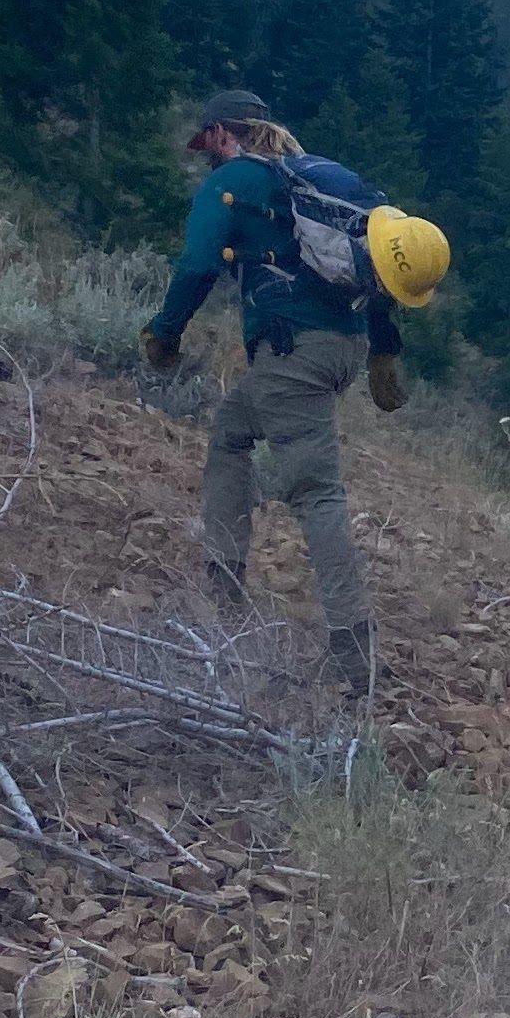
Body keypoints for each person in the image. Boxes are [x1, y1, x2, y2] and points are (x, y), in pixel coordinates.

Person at [140, 89, 406, 692]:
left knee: (317, 493)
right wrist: (384, 352)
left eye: (203, 141)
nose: (203, 153)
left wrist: (164, 336)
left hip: (291, 352)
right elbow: (380, 270)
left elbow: (198, 265)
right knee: (231, 434)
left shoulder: (232, 181)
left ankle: (352, 657)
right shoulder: (310, 182)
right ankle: (224, 597)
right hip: (342, 345)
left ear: (216, 133)